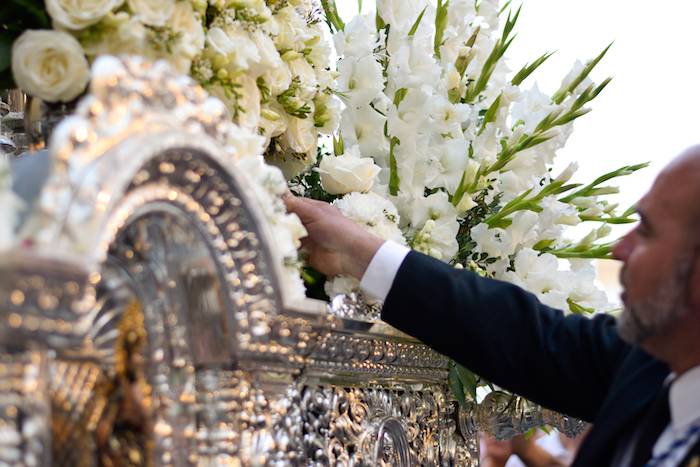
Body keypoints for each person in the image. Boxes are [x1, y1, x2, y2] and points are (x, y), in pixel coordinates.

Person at [283, 145, 700, 467]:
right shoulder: (648, 366)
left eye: (645, 232)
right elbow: (524, 335)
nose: (619, 247)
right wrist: (356, 251)